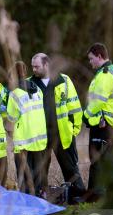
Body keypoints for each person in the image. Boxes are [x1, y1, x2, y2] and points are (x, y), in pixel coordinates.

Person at [28, 53, 86, 202]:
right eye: (32, 66)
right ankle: (40, 199)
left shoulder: (64, 80)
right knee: (39, 171)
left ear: (46, 65)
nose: (33, 69)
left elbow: (75, 107)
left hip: (62, 134)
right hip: (40, 135)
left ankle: (78, 197)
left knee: (71, 168)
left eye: (37, 66)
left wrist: (74, 130)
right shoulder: (29, 83)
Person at [83, 43, 113, 201]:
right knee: (111, 160)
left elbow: (98, 101)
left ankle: (93, 197)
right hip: (111, 123)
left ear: (99, 56)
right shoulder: (111, 71)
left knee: (98, 161)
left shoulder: (105, 74)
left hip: (104, 124)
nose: (90, 62)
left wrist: (85, 116)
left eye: (91, 59)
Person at [6, 61, 47, 196]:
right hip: (39, 137)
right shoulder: (38, 90)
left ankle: (26, 202)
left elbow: (11, 120)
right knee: (37, 173)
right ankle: (40, 196)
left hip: (23, 140)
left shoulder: (15, 94)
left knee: (24, 174)